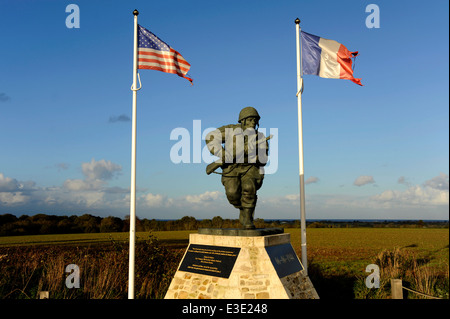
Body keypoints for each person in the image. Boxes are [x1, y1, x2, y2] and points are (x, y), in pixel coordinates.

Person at [205, 107, 270, 229]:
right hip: (231, 168)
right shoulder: (230, 131)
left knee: (249, 188)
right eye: (250, 120)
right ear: (243, 120)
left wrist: (249, 155)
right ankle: (243, 209)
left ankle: (247, 218)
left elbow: (263, 159)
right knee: (232, 193)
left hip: (250, 169)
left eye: (255, 120)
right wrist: (223, 155)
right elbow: (211, 137)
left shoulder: (260, 137)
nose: (253, 123)